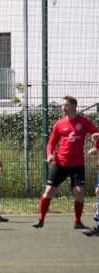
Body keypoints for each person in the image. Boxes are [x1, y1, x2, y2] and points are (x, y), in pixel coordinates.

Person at [33, 96, 99, 231]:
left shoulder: (83, 122)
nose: (63, 107)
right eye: (62, 105)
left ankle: (77, 222)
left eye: (66, 105)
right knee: (49, 190)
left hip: (77, 165)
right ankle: (40, 219)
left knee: (79, 192)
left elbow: (97, 134)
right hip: (60, 164)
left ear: (74, 106)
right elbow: (51, 143)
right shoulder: (59, 124)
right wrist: (50, 154)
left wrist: (95, 147)